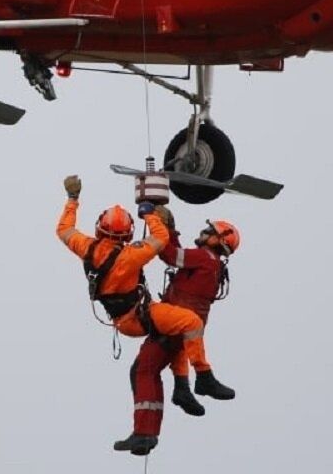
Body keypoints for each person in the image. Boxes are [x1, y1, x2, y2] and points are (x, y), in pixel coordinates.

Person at [55, 175, 211, 457]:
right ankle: (203, 376)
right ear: (127, 234)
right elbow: (162, 239)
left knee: (170, 334)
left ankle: (182, 388)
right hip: (139, 317)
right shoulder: (130, 256)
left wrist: (72, 199)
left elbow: (64, 229)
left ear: (100, 228)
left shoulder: (86, 247)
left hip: (124, 320)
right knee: (191, 323)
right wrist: (150, 214)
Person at [123, 216, 241, 455]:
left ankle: (144, 434)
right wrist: (172, 230)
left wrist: (157, 222)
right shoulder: (213, 263)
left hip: (173, 323)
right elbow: (178, 255)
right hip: (180, 326)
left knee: (143, 371)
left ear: (218, 240)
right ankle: (181, 390)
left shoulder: (204, 257)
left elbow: (170, 255)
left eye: (209, 230)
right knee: (152, 367)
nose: (203, 231)